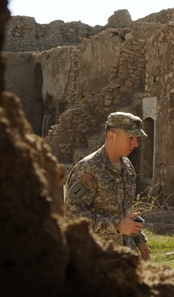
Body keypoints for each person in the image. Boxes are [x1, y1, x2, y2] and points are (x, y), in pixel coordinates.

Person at [64, 111, 150, 260]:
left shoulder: (127, 166)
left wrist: (139, 239)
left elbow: (125, 210)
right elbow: (72, 215)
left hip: (125, 256)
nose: (135, 144)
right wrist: (117, 225)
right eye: (130, 138)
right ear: (111, 136)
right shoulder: (88, 168)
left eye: (137, 139)